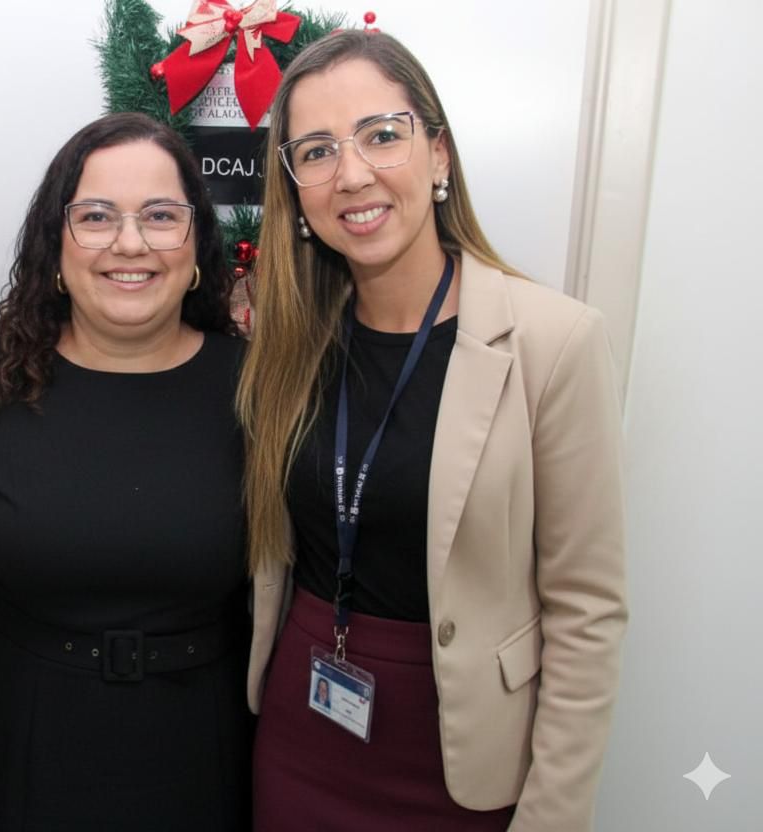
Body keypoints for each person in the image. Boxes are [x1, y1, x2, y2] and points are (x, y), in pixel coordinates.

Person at [238, 30, 627, 830]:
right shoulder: (285, 346)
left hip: (461, 766)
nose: (351, 174)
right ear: (295, 189)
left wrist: (553, 817)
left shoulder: (554, 343)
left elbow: (587, 612)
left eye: (382, 135)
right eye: (315, 152)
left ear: (439, 155)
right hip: (300, 738)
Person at [0, 112, 251, 831]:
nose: (129, 242)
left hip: (202, 758)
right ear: (56, 246)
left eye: (160, 215)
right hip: (23, 753)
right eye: (95, 216)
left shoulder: (257, 389)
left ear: (197, 245)